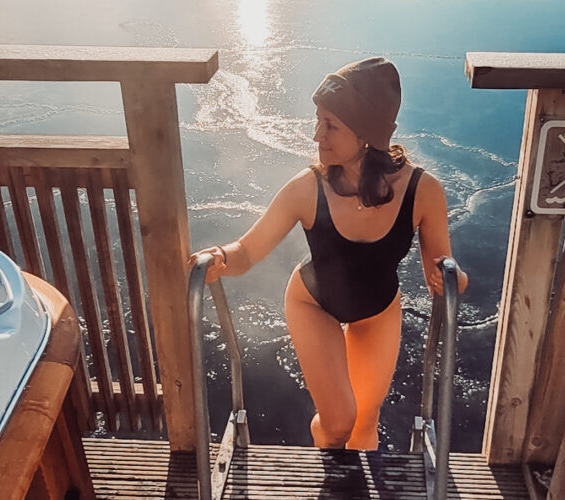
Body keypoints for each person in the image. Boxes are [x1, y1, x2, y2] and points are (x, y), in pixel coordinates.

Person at [188, 56, 468, 451]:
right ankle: (324, 464)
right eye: (318, 120)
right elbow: (247, 251)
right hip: (313, 303)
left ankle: (347, 479)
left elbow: (440, 268)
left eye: (331, 125)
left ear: (367, 133)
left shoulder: (423, 191)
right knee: (338, 424)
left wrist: (451, 276)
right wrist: (220, 257)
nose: (317, 135)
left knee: (364, 426)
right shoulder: (308, 187)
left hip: (378, 311)